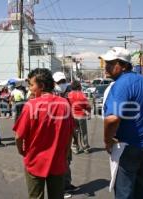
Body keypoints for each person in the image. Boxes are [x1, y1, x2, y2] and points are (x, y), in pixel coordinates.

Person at [101, 47, 143, 198]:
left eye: (111, 63)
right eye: (106, 63)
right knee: (141, 187)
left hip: (128, 147)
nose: (106, 67)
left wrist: (107, 140)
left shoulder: (121, 84)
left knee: (124, 192)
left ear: (124, 65)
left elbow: (112, 118)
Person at [13, 68, 74, 199]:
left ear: (41, 86)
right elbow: (70, 133)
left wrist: (21, 151)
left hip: (35, 160)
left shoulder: (31, 105)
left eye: (31, 85)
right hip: (58, 161)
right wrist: (65, 154)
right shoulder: (64, 104)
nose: (29, 89)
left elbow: (19, 136)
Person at [53, 71, 75, 197]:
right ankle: (62, 189)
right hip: (57, 135)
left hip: (67, 133)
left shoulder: (67, 96)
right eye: (59, 82)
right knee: (61, 162)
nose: (62, 84)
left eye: (63, 82)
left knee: (67, 160)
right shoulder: (52, 97)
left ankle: (67, 184)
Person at [68, 80, 91, 154]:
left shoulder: (69, 95)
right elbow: (87, 106)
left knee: (74, 132)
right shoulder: (82, 95)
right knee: (83, 132)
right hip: (81, 116)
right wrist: (88, 113)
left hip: (72, 116)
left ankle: (75, 148)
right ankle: (85, 148)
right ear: (79, 86)